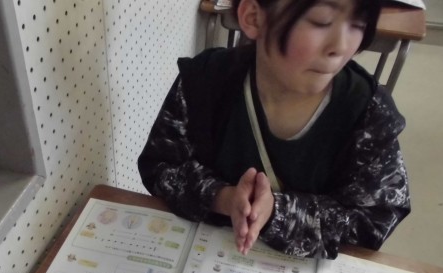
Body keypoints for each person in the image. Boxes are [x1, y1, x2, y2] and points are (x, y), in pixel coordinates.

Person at [137, 0, 410, 259]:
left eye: (358, 24)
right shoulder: (203, 80)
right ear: (253, 17)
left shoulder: (368, 113)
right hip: (206, 258)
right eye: (321, 20)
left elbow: (376, 219)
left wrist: (277, 212)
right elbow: (160, 166)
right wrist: (222, 197)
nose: (340, 46)